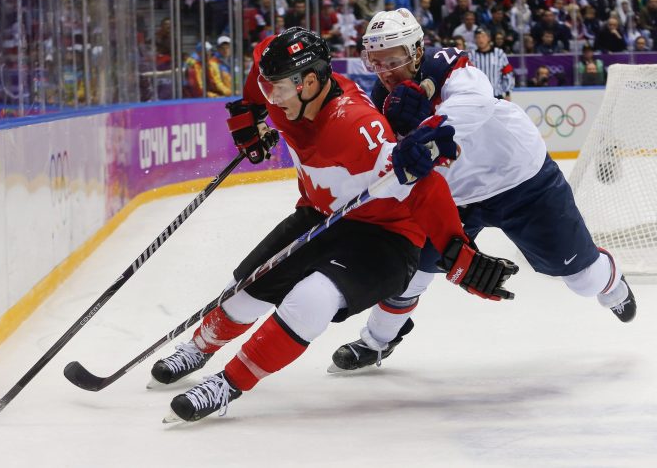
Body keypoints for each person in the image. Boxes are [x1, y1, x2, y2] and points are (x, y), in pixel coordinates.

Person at [150, 27, 518, 422]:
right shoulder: (280, 86)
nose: (273, 99)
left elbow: (423, 187)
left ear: (309, 82)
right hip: (321, 215)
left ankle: (228, 384)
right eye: (269, 90)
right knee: (243, 289)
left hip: (387, 238)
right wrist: (250, 110)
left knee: (312, 299)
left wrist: (455, 252)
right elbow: (260, 69)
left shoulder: (357, 128)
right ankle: (199, 347)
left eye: (278, 91)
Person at [329, 9, 637, 373]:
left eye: (393, 59)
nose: (385, 70)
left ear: (415, 51)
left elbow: (476, 102)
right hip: (452, 198)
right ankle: (378, 340)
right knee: (411, 272)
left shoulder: (452, 70)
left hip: (522, 181)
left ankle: (611, 282)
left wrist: (427, 129)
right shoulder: (381, 102)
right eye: (375, 61)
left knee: (583, 280)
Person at [469, 27, 514, 100]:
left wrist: (508, 93)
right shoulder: (471, 55)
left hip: (496, 95)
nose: (480, 40)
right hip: (478, 97)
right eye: (478, 37)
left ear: (489, 38)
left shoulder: (499, 53)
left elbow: (508, 73)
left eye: (483, 36)